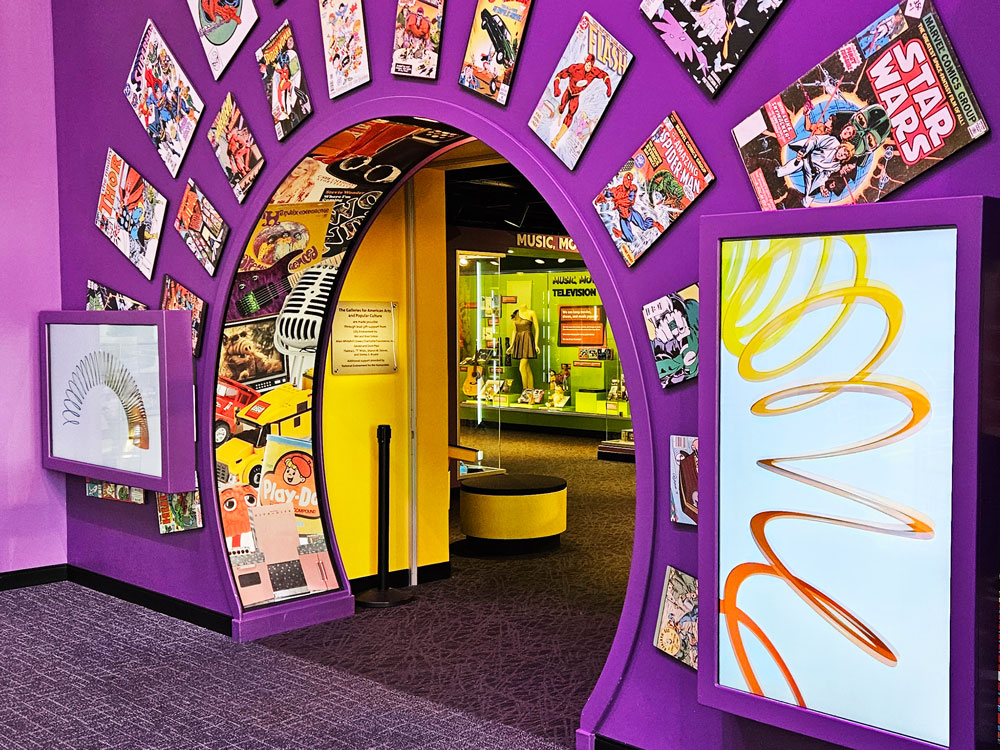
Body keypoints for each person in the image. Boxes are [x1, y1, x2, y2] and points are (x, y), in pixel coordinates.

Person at [549, 54, 611, 150]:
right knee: (562, 108)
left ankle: (556, 140)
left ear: (592, 65)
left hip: (576, 95)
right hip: (568, 91)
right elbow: (559, 75)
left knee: (570, 115)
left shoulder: (594, 72)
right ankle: (560, 114)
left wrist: (609, 87)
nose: (588, 66)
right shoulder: (575, 68)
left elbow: (605, 76)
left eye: (590, 65)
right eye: (587, 63)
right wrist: (556, 88)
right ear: (585, 61)